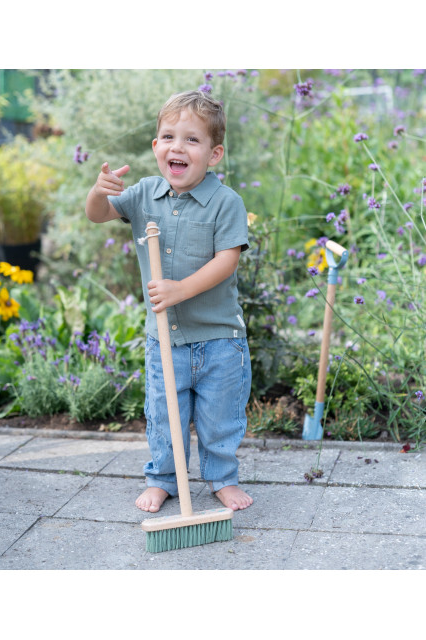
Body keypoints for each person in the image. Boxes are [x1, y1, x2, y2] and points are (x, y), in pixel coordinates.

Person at [86, 90, 253, 513]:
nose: (177, 146)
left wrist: (181, 289)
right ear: (156, 147)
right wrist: (97, 191)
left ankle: (221, 477)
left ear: (214, 154)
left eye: (191, 140)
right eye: (168, 136)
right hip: (165, 340)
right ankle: (162, 478)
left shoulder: (226, 202)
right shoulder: (144, 195)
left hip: (219, 339)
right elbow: (98, 213)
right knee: (164, 417)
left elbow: (227, 260)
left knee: (220, 418)